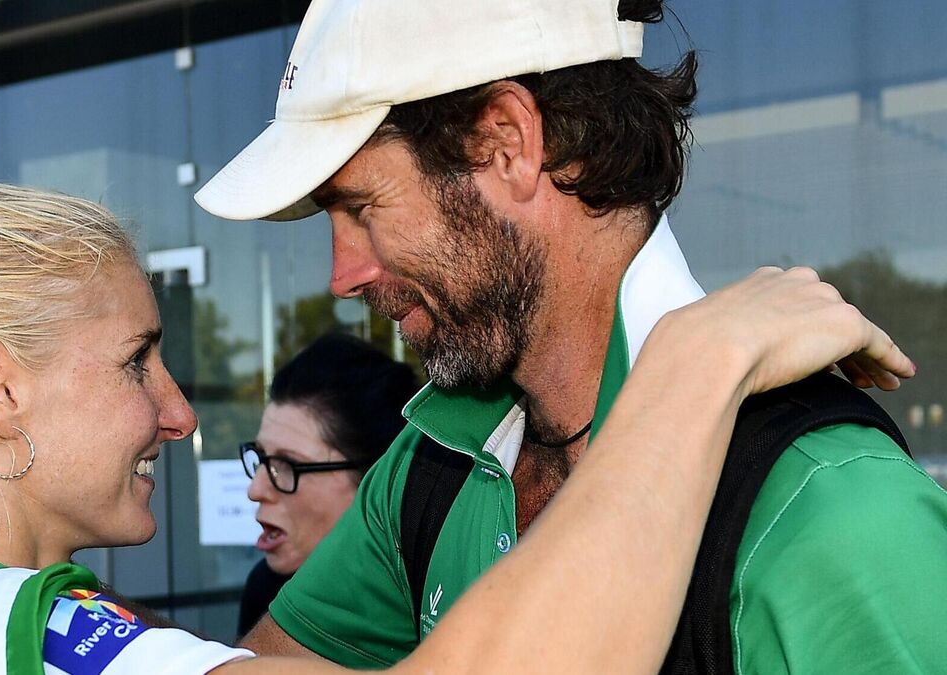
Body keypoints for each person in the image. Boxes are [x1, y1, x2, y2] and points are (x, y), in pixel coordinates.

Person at [0, 183, 912, 674]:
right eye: (135, 361)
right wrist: (697, 364)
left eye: (363, 206)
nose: (179, 412)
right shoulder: (0, 628)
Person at [191, 0, 947, 671]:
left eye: (362, 207)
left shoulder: (831, 504)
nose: (342, 275)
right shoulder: (429, 465)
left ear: (508, 143)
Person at [238, 334, 419, 636]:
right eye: (261, 458)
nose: (255, 490)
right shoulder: (267, 590)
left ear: (375, 479)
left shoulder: (433, 605)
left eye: (288, 465)